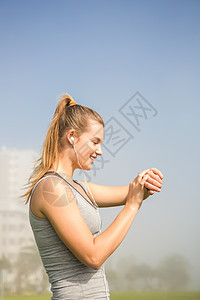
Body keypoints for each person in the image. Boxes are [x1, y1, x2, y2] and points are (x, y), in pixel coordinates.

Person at [22, 94, 163, 300]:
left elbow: (132, 193)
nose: (100, 151)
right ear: (72, 136)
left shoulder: (78, 188)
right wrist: (132, 207)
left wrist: (146, 182)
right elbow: (93, 256)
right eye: (95, 142)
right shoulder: (51, 189)